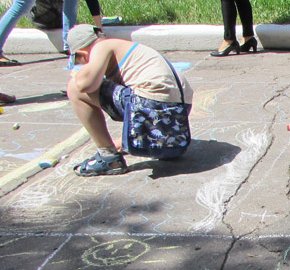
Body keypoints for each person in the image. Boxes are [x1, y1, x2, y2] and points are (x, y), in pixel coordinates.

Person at [66, 25, 194, 176]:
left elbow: (85, 84)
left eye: (79, 61)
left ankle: (108, 157)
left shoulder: (101, 47)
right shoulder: (124, 48)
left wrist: (78, 75)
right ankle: (165, 144)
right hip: (178, 114)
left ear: (82, 53)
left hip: (151, 105)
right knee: (127, 94)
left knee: (74, 88)